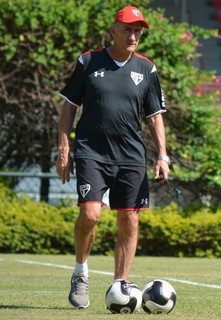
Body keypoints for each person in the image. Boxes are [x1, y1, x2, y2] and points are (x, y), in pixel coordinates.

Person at [56, 5, 170, 309]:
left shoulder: (147, 69)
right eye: (128, 29)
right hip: (92, 152)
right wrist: (64, 148)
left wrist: (163, 155)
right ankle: (81, 272)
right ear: (113, 30)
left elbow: (155, 116)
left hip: (131, 157)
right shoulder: (89, 61)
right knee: (91, 214)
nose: (133, 35)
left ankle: (121, 283)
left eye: (138, 31)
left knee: (129, 220)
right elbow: (68, 106)